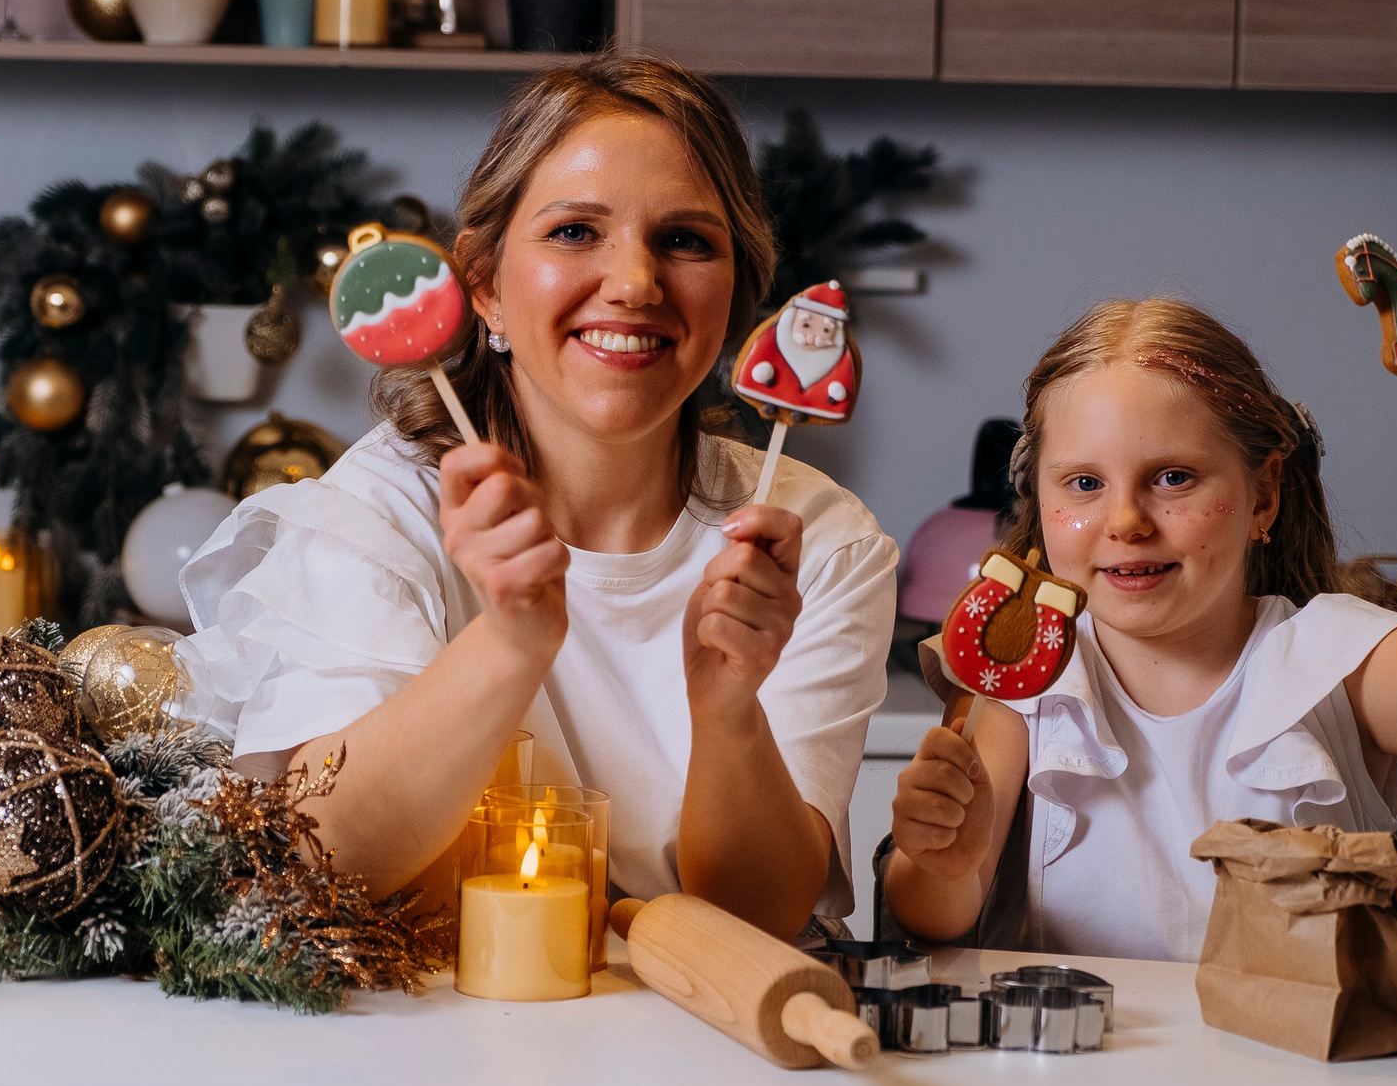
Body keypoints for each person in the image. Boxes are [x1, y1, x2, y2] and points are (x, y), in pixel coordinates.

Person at [178, 59, 898, 940]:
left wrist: (729, 710)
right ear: (483, 285)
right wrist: (511, 638)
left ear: (734, 297)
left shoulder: (812, 541)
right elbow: (325, 854)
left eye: (686, 240)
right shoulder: (380, 510)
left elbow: (756, 916)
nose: (635, 280)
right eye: (573, 232)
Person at [884, 299, 1397, 959]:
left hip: (1303, 1081)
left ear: (1265, 495)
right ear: (1038, 499)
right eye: (1084, 483)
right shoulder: (1030, 685)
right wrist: (942, 860)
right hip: (1079, 1081)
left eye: (1172, 478)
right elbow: (936, 914)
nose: (1127, 521)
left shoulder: (1332, 662)